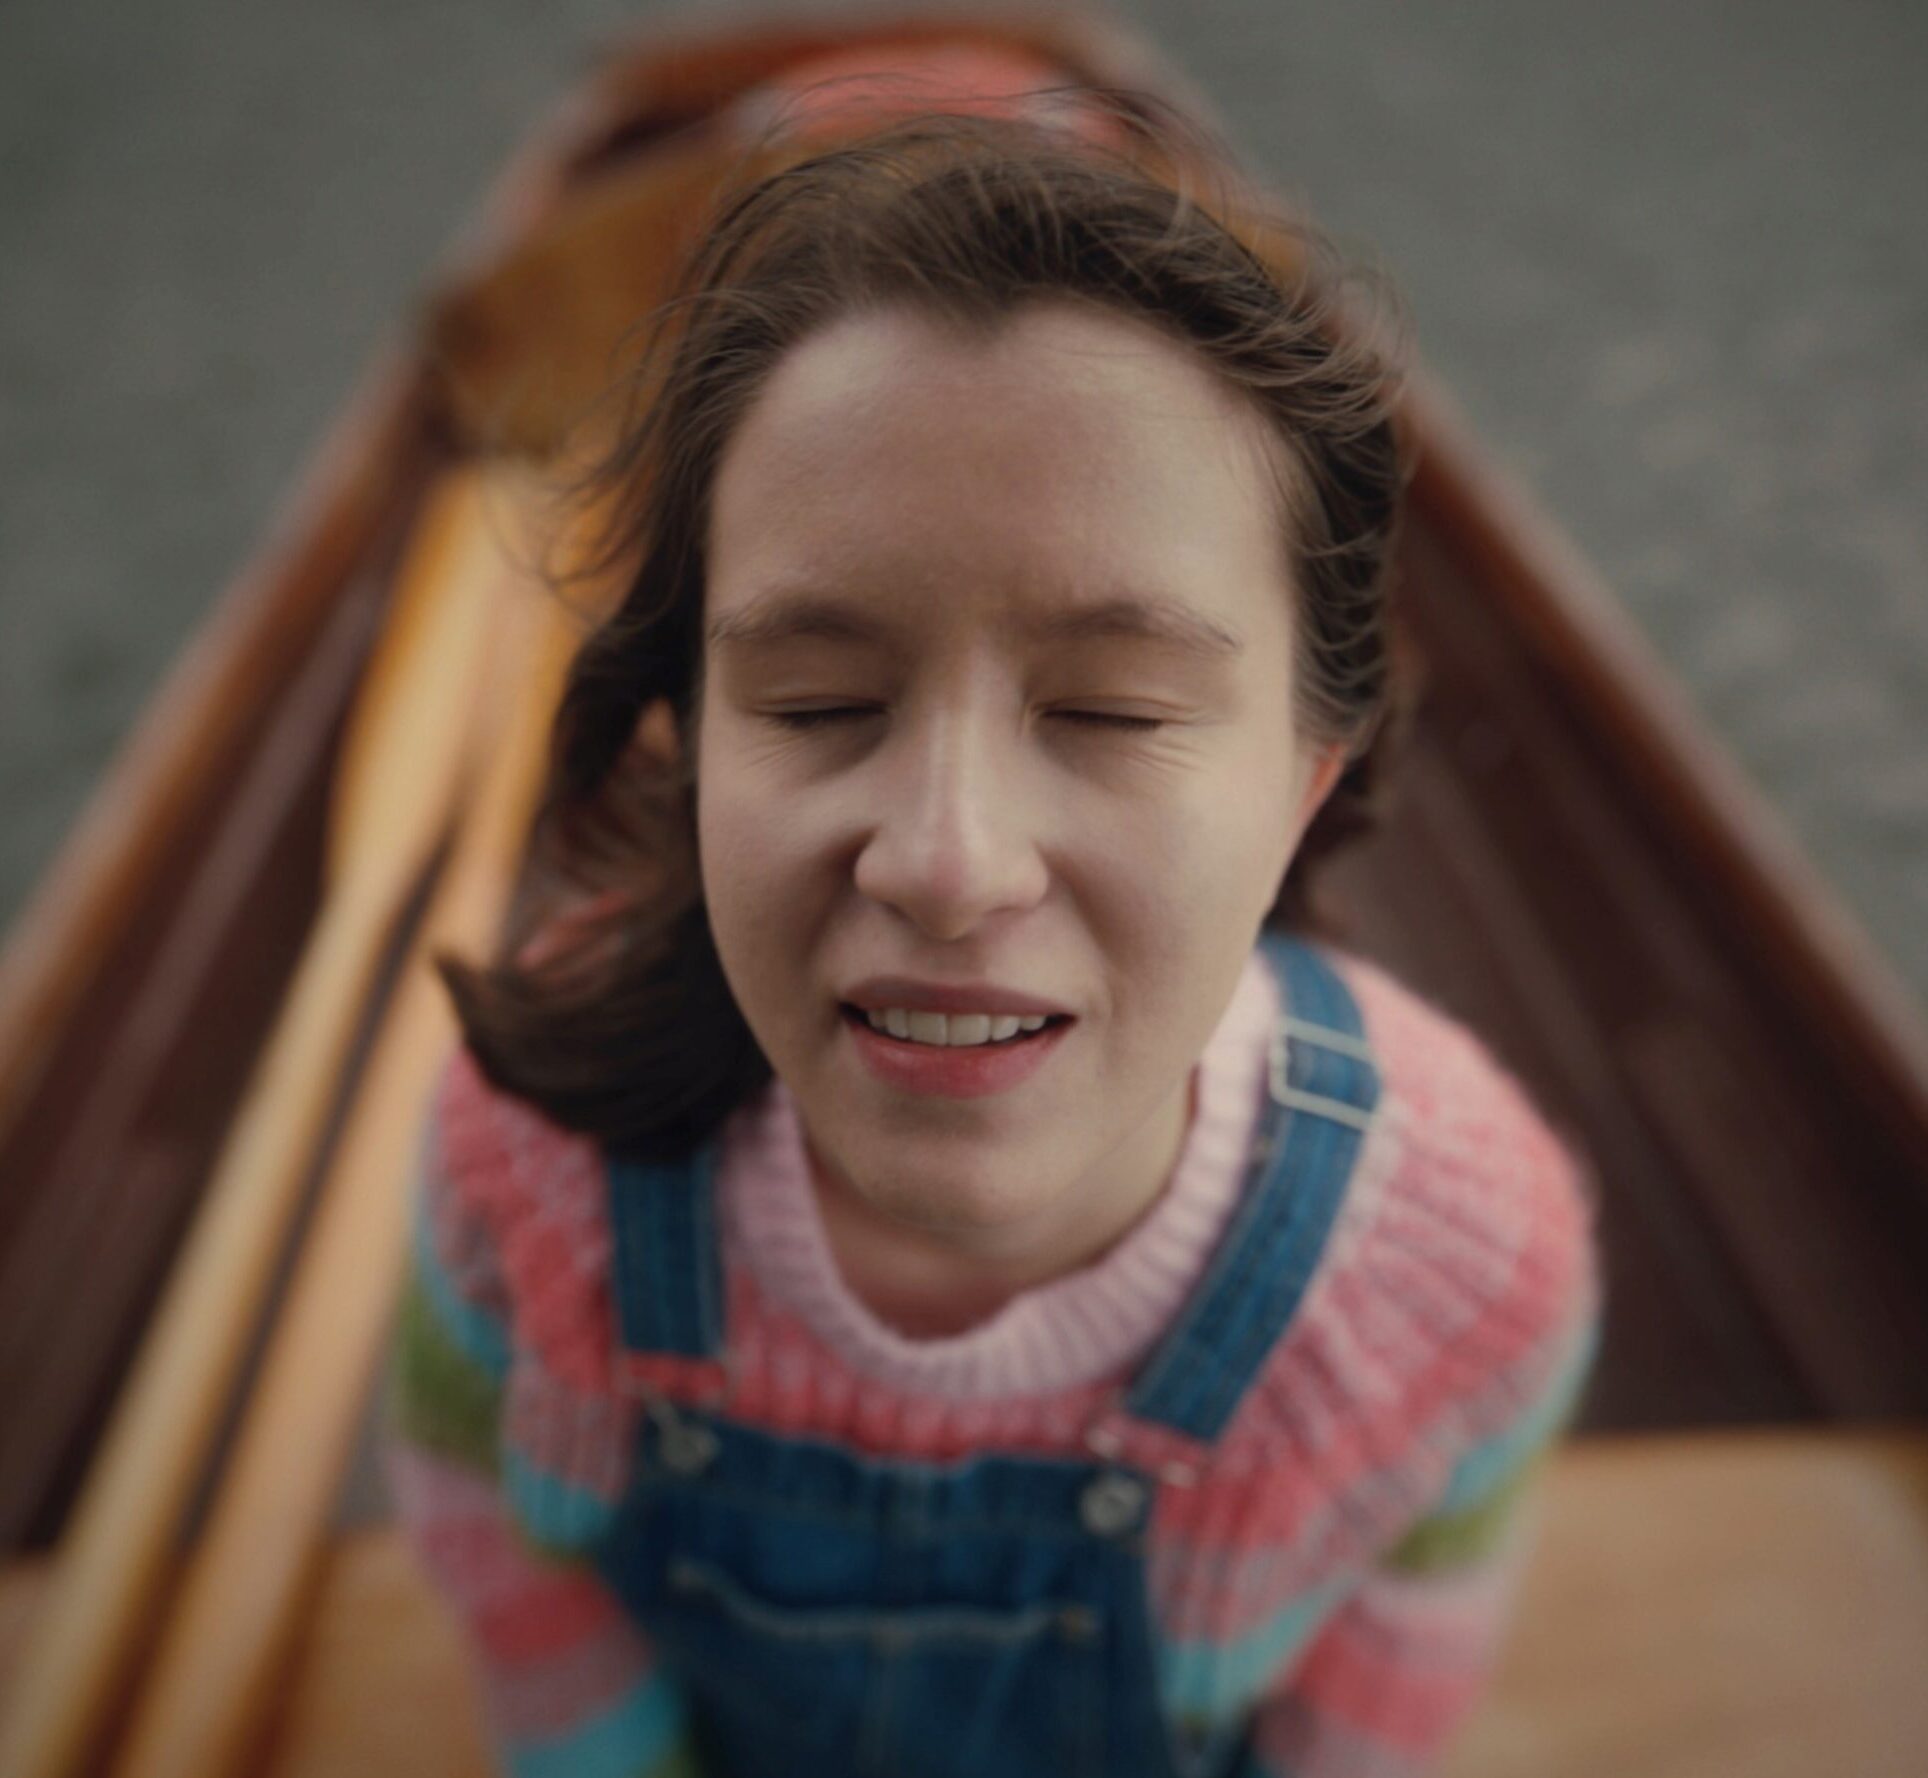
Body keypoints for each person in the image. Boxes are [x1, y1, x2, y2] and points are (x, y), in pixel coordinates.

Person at [385, 68, 1603, 1778]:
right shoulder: (525, 1161)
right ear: (688, 739)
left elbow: (1383, 1690)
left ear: (1305, 780)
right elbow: (497, 1548)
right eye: (813, 703)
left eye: (1108, 712)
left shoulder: (1472, 1261)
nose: (948, 865)